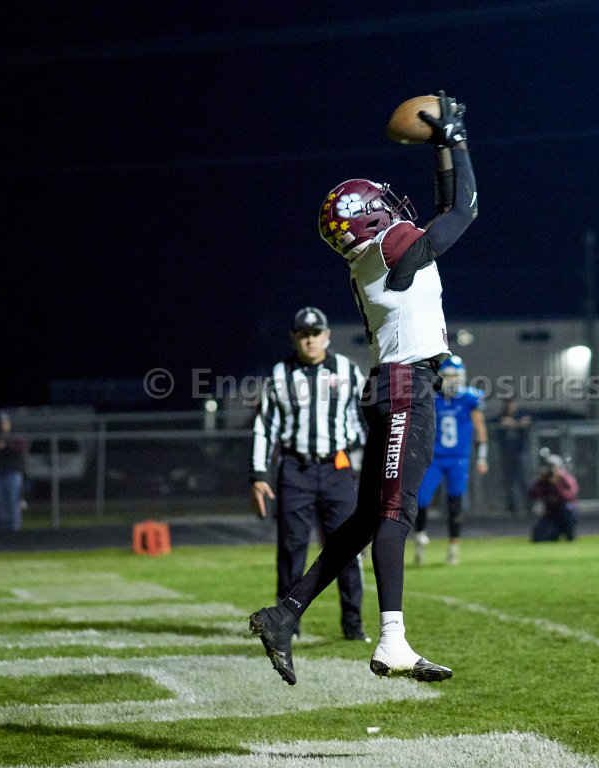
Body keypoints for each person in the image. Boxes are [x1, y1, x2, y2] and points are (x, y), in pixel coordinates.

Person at [248, 91, 477, 686]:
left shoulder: (376, 255)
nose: (394, 209)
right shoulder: (389, 248)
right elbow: (462, 211)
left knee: (367, 518)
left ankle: (284, 614)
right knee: (396, 514)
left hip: (390, 386)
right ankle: (392, 641)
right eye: (382, 205)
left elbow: (445, 207)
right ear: (372, 219)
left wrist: (442, 148)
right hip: (406, 388)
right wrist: (454, 140)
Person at [250, 306, 370, 643]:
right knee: (292, 549)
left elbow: (366, 419)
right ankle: (287, 624)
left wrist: (363, 458)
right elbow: (265, 427)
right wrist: (258, 474)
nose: (310, 340)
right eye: (303, 334)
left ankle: (353, 624)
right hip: (295, 469)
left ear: (327, 336)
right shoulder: (280, 374)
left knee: (347, 548)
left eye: (316, 333)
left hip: (337, 469)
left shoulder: (347, 370)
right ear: (294, 337)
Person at [412, 355, 489, 566]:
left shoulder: (470, 398)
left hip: (458, 459)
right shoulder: (431, 397)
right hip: (434, 458)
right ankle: (420, 537)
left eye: (455, 375)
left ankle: (454, 547)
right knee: (421, 499)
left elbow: (480, 429)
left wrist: (482, 456)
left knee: (455, 502)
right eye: (447, 375)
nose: (451, 379)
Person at [0, 412, 27, 531]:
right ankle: (3, 530)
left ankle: (14, 529)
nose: (3, 426)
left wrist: (8, 445)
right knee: (0, 503)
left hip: (12, 473)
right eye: (1, 423)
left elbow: (20, 451)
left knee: (12, 501)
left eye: (5, 423)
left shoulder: (16, 438)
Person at [494, 395, 533, 516]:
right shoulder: (501, 416)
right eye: (507, 403)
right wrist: (503, 423)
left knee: (524, 480)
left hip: (521, 453)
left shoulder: (521, 415)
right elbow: (492, 423)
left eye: (511, 403)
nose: (510, 406)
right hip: (507, 454)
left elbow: (530, 421)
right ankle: (511, 507)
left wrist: (516, 424)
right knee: (509, 481)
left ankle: (529, 506)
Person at [529, 449, 579, 542]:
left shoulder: (566, 479)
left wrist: (556, 484)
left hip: (566, 512)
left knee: (568, 510)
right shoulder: (544, 481)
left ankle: (569, 532)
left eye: (553, 467)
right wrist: (540, 481)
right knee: (538, 537)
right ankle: (555, 533)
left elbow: (569, 496)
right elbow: (533, 495)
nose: (551, 470)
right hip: (552, 514)